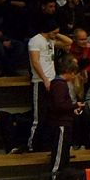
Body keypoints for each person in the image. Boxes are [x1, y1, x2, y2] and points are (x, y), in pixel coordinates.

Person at [28, 19, 72, 151]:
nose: (56, 34)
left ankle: (47, 144)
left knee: (50, 115)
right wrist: (45, 79)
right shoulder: (35, 40)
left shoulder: (50, 40)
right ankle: (32, 145)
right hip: (40, 81)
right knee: (39, 116)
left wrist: (55, 34)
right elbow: (35, 62)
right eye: (54, 32)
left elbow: (68, 42)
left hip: (52, 81)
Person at [46, 57, 83, 180]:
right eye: (73, 73)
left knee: (64, 156)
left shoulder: (60, 84)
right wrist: (74, 106)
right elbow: (59, 105)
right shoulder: (59, 84)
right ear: (69, 71)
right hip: (60, 124)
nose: (74, 77)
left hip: (65, 123)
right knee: (59, 156)